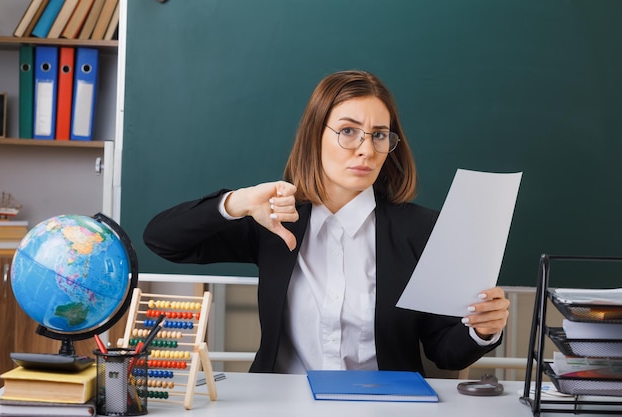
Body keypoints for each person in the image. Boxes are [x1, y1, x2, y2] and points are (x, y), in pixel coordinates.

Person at [143, 70, 510, 375]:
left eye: (379, 135)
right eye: (348, 131)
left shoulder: (423, 230)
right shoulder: (275, 220)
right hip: (282, 406)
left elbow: (444, 353)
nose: (366, 149)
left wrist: (480, 331)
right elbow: (162, 240)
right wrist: (237, 202)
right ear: (315, 135)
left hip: (385, 407)